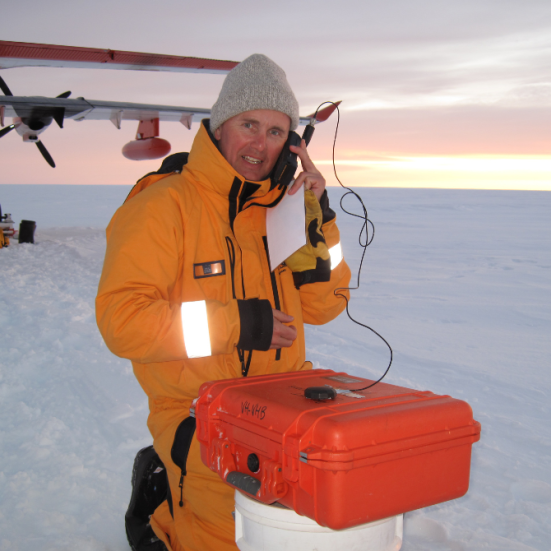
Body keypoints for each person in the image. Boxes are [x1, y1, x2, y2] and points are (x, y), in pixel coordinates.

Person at [96, 54, 351, 551]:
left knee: (302, 528)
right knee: (225, 532)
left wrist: (317, 216)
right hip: (196, 412)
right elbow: (121, 322)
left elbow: (325, 306)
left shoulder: (283, 209)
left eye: (277, 132)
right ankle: (163, 513)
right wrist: (234, 323)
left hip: (282, 408)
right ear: (219, 127)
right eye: (249, 124)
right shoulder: (162, 206)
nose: (260, 144)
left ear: (292, 144)